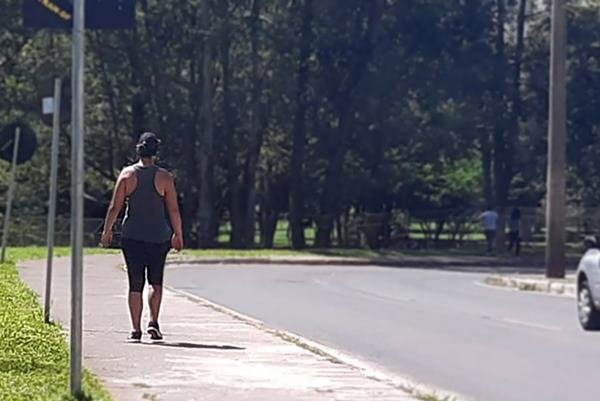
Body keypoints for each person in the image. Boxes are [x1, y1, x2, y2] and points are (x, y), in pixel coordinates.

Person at [101, 132, 184, 343]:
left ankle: (135, 330)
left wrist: (107, 231)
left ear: (138, 150)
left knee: (135, 283)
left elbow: (115, 207)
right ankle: (153, 322)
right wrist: (178, 234)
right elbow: (173, 209)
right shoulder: (164, 177)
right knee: (155, 281)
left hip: (132, 236)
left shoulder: (127, 175)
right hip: (159, 236)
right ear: (156, 152)